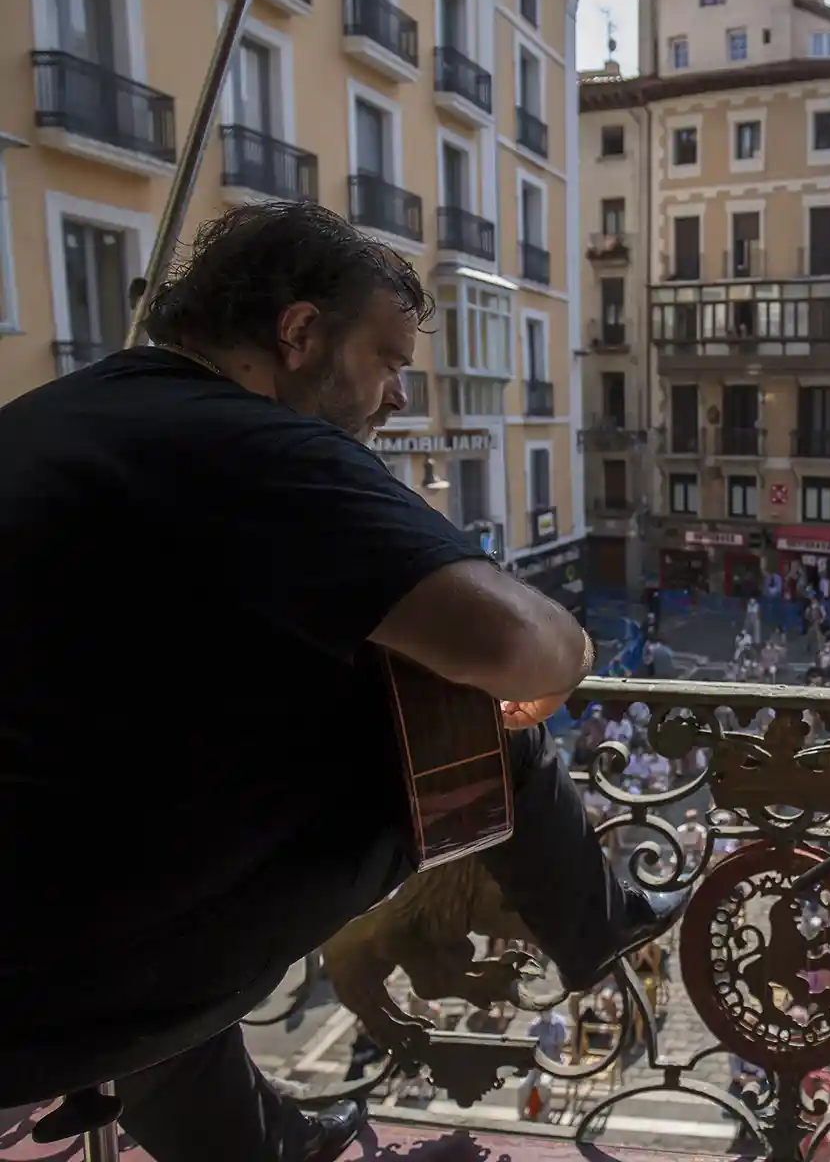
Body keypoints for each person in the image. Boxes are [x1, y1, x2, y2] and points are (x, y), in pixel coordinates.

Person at [0, 204, 688, 1161]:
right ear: (298, 333)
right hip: (64, 959)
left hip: (53, 910)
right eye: (389, 360)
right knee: (467, 729)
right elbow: (521, 649)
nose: (400, 395)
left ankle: (263, 1141)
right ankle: (596, 926)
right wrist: (563, 654)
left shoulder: (49, 416)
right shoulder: (254, 446)